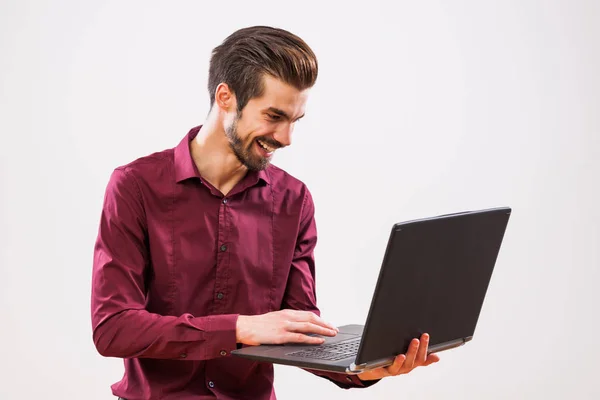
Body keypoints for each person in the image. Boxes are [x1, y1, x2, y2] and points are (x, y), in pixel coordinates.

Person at [91, 25, 440, 400]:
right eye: (274, 116)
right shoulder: (136, 187)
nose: (286, 138)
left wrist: (367, 367)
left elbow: (295, 331)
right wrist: (240, 328)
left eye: (294, 121)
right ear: (225, 96)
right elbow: (114, 328)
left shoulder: (294, 201)